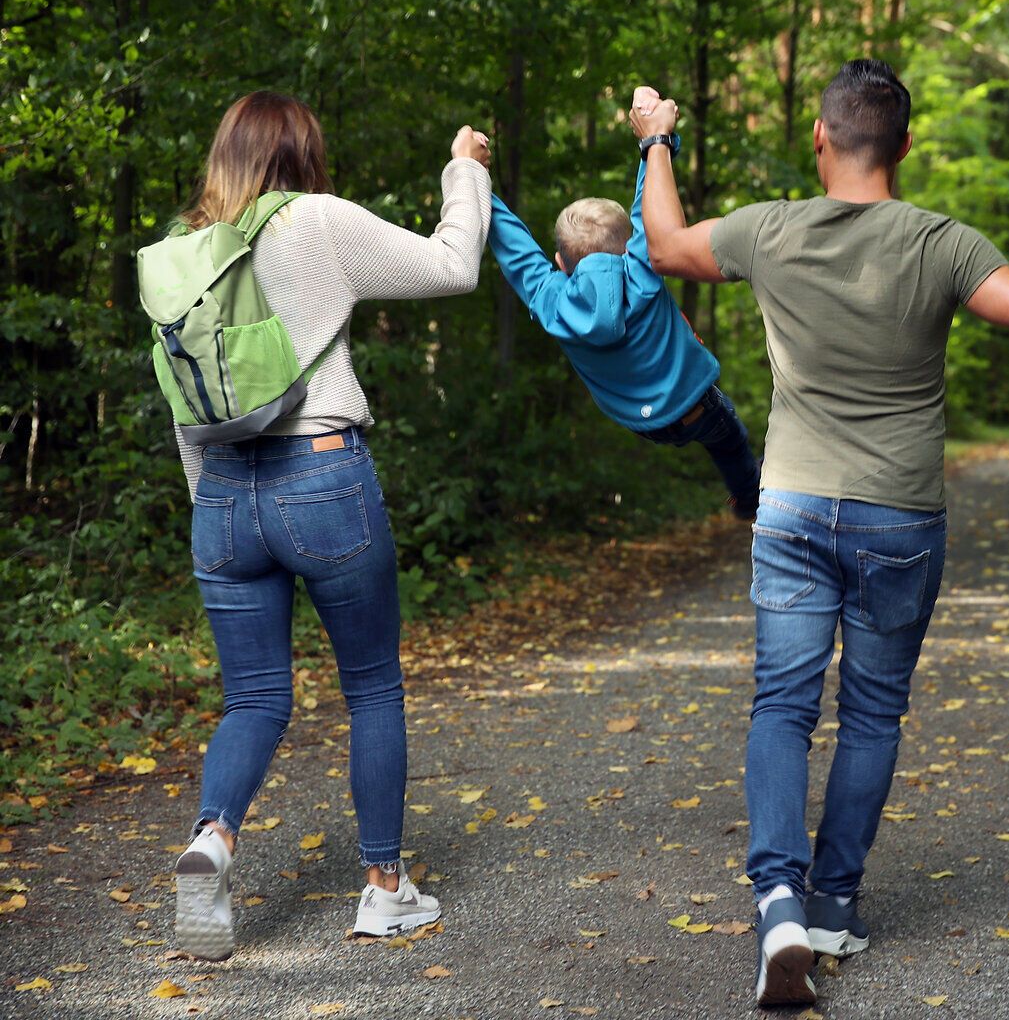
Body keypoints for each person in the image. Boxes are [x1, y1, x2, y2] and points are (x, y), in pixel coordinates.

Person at [630, 60, 1009, 1007]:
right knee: (874, 713)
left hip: (794, 506)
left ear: (819, 137)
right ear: (906, 147)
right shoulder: (940, 244)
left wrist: (656, 137)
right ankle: (835, 902)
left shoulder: (770, 228)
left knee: (782, 708)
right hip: (900, 516)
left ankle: (778, 904)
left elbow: (666, 242)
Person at [163, 92, 492, 960]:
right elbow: (453, 266)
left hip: (226, 496)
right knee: (372, 685)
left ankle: (213, 841)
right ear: (300, 150)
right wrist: (464, 169)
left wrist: (211, 503)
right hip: (322, 477)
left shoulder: (185, 250)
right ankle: (384, 889)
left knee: (256, 698)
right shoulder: (317, 221)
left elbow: (186, 407)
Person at [486, 135, 759, 519]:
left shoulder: (554, 305)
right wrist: (657, 142)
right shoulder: (643, 270)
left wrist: (480, 184)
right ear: (631, 245)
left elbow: (517, 253)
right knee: (733, 446)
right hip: (699, 407)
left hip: (641, 424)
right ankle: (748, 500)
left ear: (561, 264)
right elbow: (646, 207)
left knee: (723, 440)